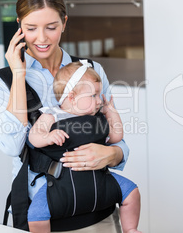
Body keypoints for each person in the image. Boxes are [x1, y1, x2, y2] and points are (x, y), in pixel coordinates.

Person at [0, 0, 138, 231]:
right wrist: (17, 73)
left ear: (64, 23)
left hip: (97, 209)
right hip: (42, 213)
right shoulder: (2, 81)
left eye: (51, 27)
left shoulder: (91, 70)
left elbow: (112, 136)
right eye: (31, 28)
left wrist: (114, 155)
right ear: (19, 26)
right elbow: (13, 146)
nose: (42, 38)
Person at [27, 61, 141, 233]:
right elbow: (33, 138)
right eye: (94, 95)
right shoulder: (52, 115)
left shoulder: (98, 118)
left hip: (99, 178)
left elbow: (117, 137)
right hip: (60, 183)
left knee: (132, 192)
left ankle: (130, 229)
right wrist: (48, 136)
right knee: (36, 215)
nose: (98, 101)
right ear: (72, 97)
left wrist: (111, 112)